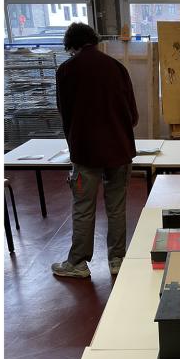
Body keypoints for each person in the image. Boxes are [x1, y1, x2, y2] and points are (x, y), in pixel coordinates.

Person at [51, 22, 138, 279]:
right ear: (95, 41)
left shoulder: (66, 70)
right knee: (117, 207)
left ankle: (78, 263)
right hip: (119, 150)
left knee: (83, 207)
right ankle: (117, 260)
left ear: (72, 46)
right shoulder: (117, 68)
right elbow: (133, 116)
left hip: (85, 152)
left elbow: (64, 113)